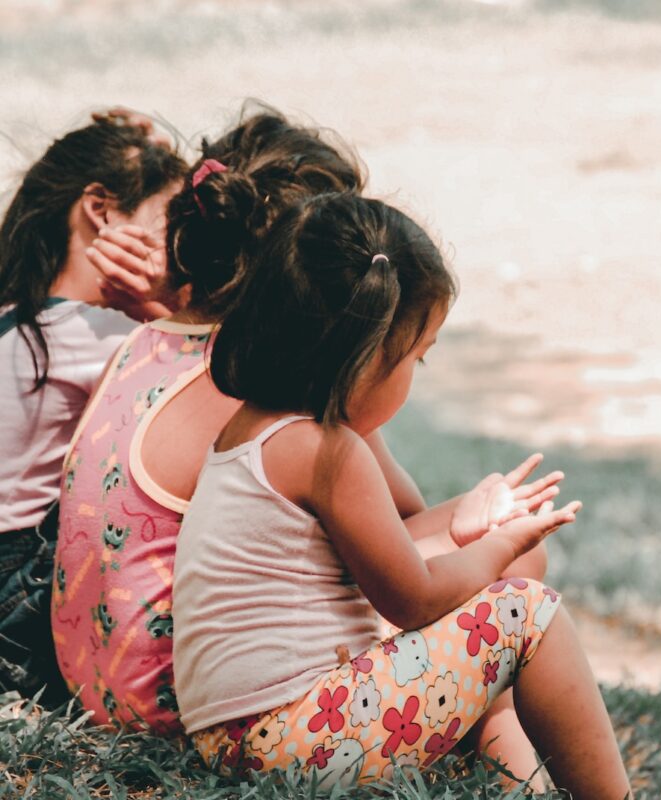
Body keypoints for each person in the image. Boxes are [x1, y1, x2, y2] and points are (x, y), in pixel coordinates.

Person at [172, 192, 632, 799]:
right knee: (527, 611)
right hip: (295, 739)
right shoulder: (327, 450)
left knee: (496, 603)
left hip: (238, 738)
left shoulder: (254, 430)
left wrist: (468, 526)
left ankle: (523, 788)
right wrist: (502, 546)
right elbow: (413, 599)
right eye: (417, 355)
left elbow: (382, 555)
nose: (416, 372)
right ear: (366, 356)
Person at [51, 106, 368, 734]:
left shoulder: (138, 342)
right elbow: (396, 525)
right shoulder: (254, 385)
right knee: (505, 571)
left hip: (95, 686)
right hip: (186, 700)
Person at [0, 114, 186, 704]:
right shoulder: (104, 335)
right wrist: (166, 309)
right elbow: (212, 385)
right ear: (101, 210)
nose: (176, 250)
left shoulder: (16, 317)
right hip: (18, 589)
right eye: (167, 224)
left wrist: (144, 149)